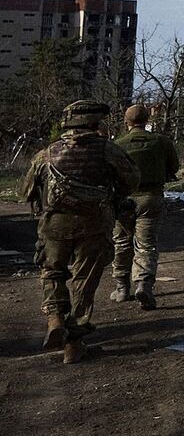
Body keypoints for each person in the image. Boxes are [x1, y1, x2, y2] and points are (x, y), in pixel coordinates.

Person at [23, 100, 140, 364]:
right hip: (94, 224)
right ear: (95, 123)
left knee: (52, 271)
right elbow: (132, 179)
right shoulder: (107, 150)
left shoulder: (47, 153)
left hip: (54, 225)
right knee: (84, 281)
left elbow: (26, 191)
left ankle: (54, 317)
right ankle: (74, 344)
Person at [111, 104, 179, 310]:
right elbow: (174, 167)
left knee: (121, 242)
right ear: (147, 120)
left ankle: (122, 288)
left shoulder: (117, 145)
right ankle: (143, 283)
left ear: (126, 122)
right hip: (150, 198)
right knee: (146, 244)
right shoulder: (161, 142)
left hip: (123, 200)